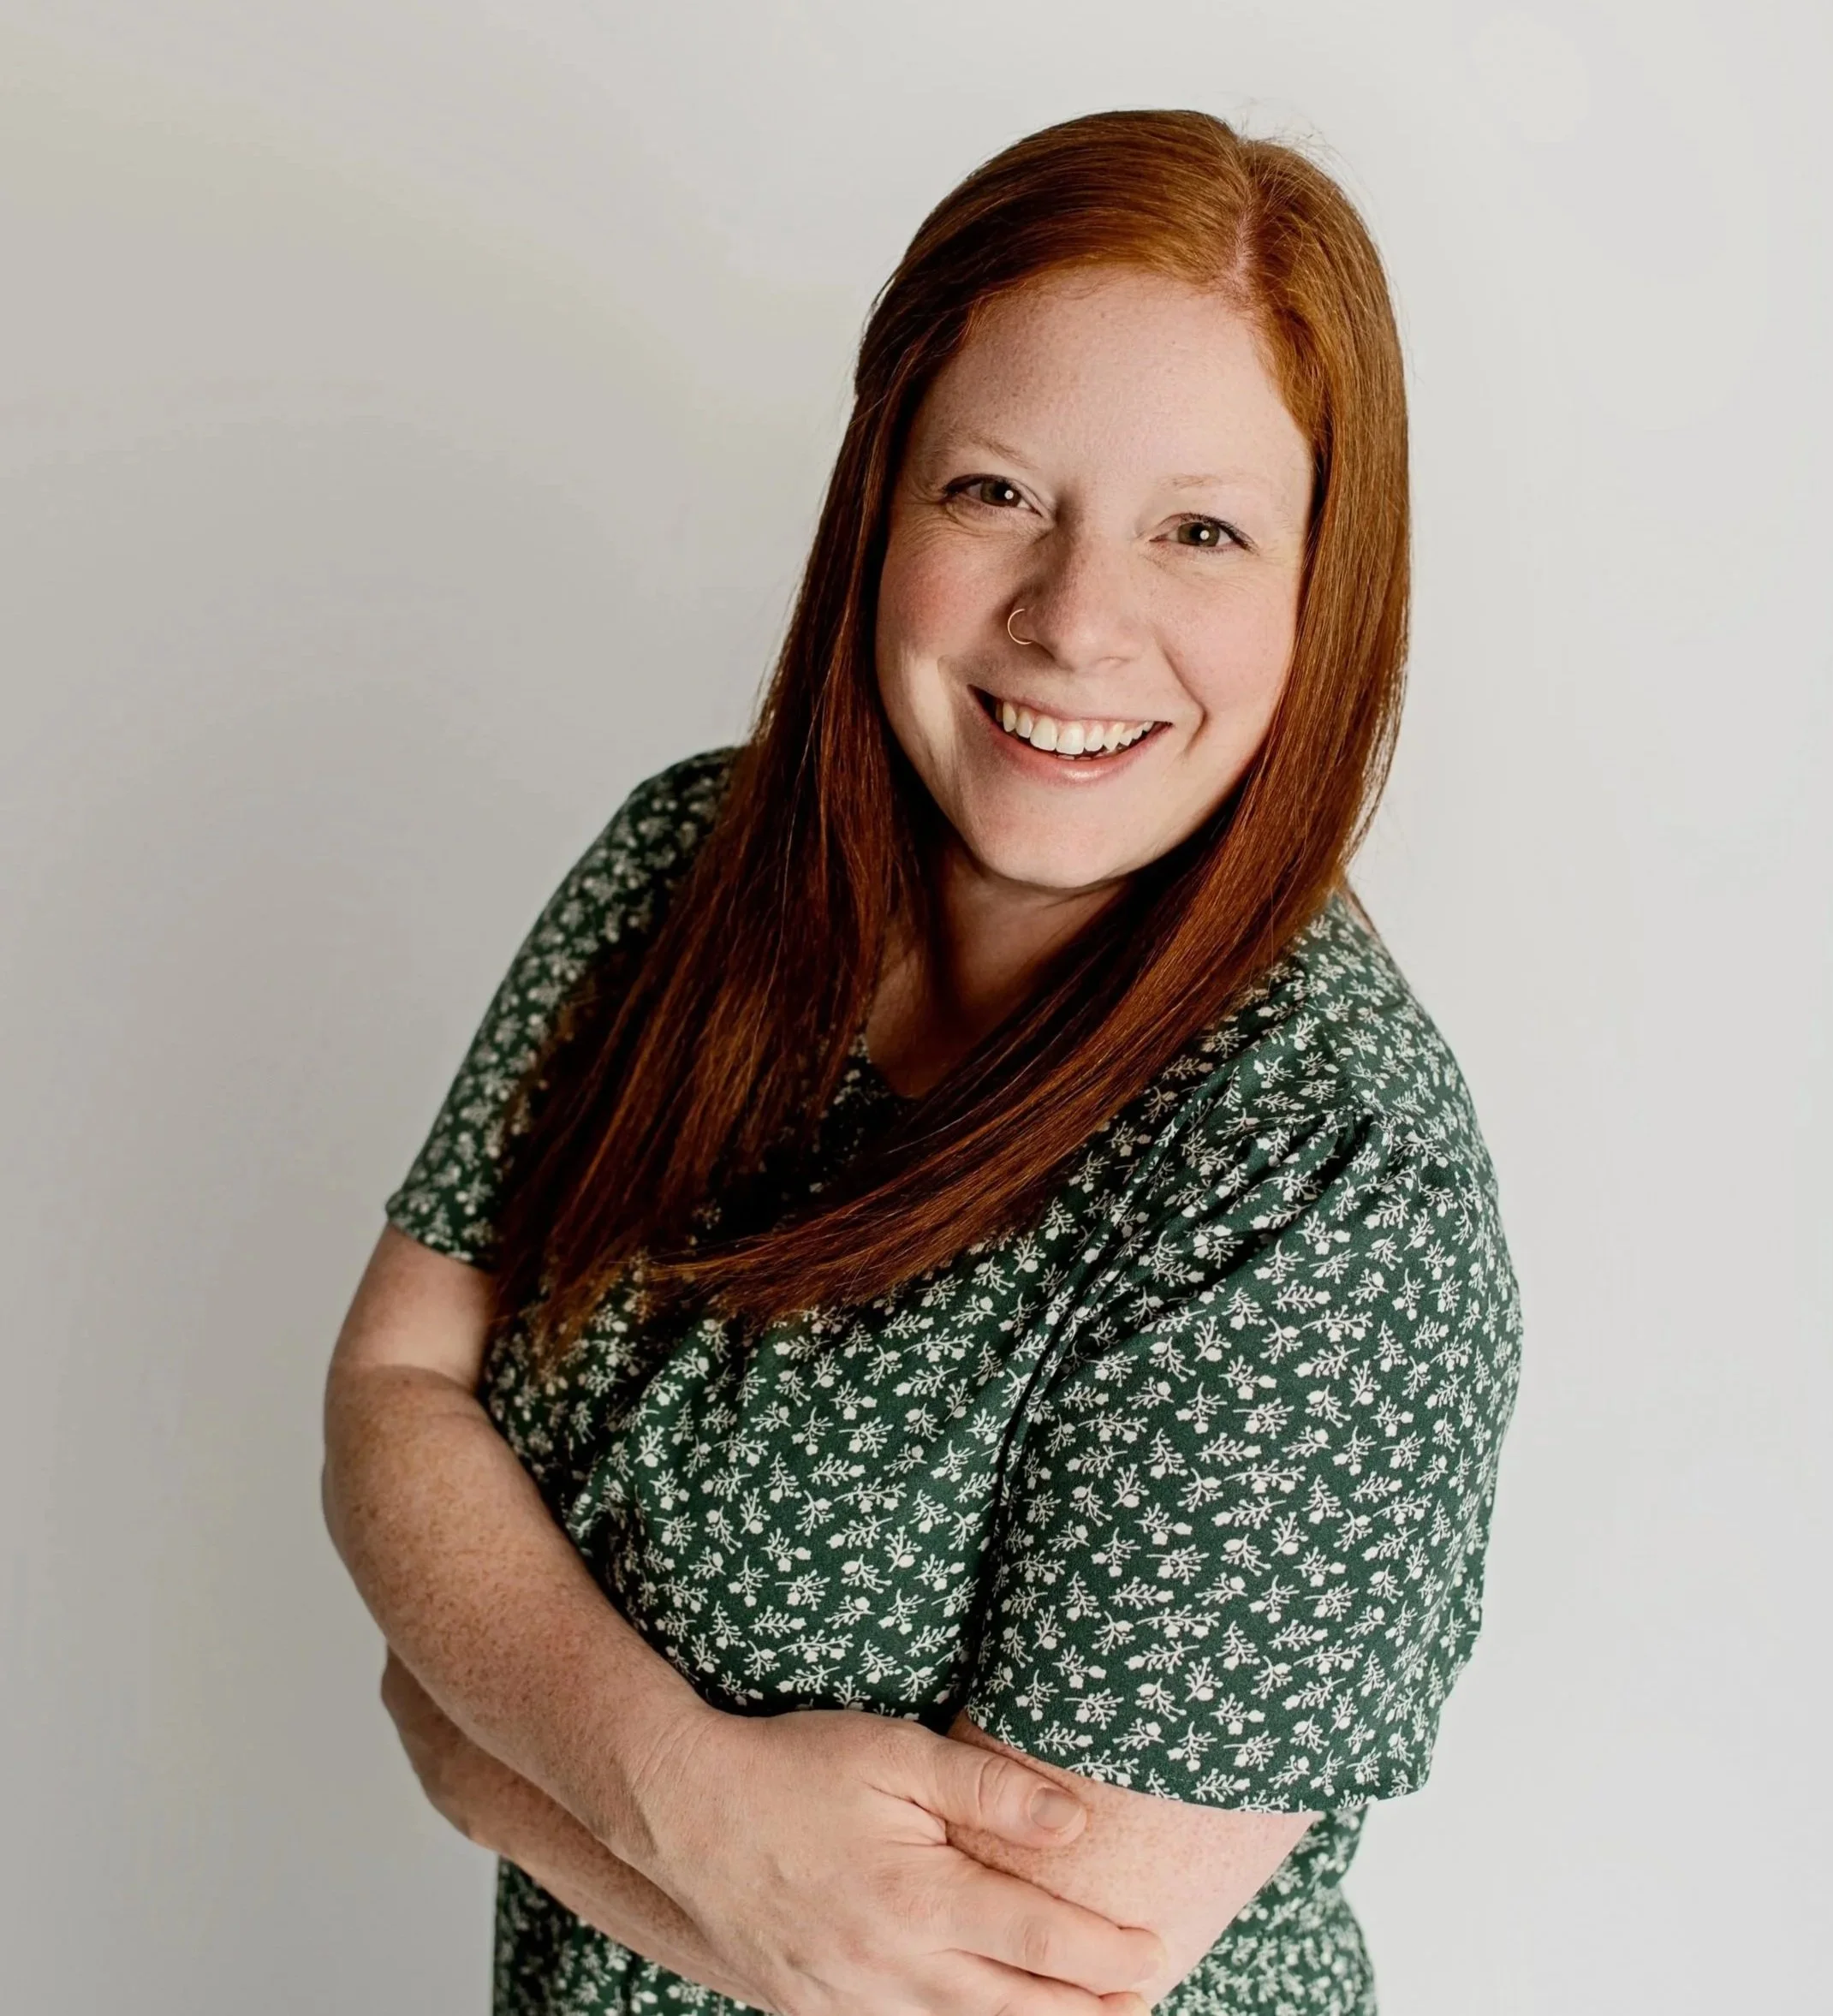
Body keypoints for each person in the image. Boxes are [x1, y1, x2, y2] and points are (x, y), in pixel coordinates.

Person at [322, 107, 1522, 2016]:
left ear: (1327, 585)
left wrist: (488, 1740)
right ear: (879, 504)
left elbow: (1010, 1993)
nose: (1075, 620)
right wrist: (674, 1784)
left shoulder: (1319, 1174)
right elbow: (397, 1382)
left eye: (1200, 531)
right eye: (995, 493)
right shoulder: (681, 872)